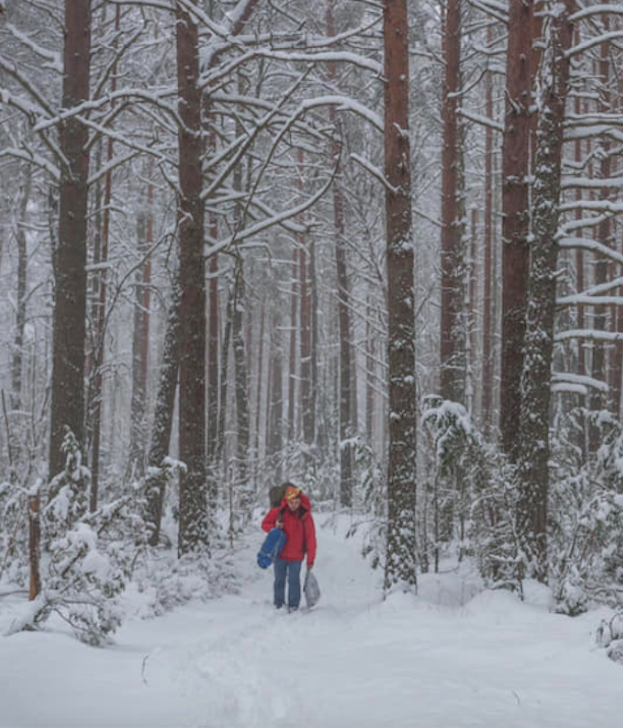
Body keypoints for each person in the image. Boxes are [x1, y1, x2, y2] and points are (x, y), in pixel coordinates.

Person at [261, 483, 316, 612]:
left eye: (296, 502)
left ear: (300, 501)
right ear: (286, 501)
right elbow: (264, 525)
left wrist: (310, 559)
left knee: (294, 581)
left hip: (296, 556)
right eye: (291, 502)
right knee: (279, 580)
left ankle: (293, 606)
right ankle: (278, 604)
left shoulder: (305, 516)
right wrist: (274, 527)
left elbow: (311, 539)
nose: (294, 505)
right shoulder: (278, 512)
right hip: (280, 554)